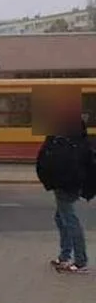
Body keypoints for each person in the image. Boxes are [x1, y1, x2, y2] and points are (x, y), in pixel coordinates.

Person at [35, 103, 91, 274]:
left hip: (65, 183)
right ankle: (65, 255)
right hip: (66, 182)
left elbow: (58, 160)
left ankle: (80, 260)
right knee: (61, 218)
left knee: (69, 219)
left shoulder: (65, 138)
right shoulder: (72, 136)